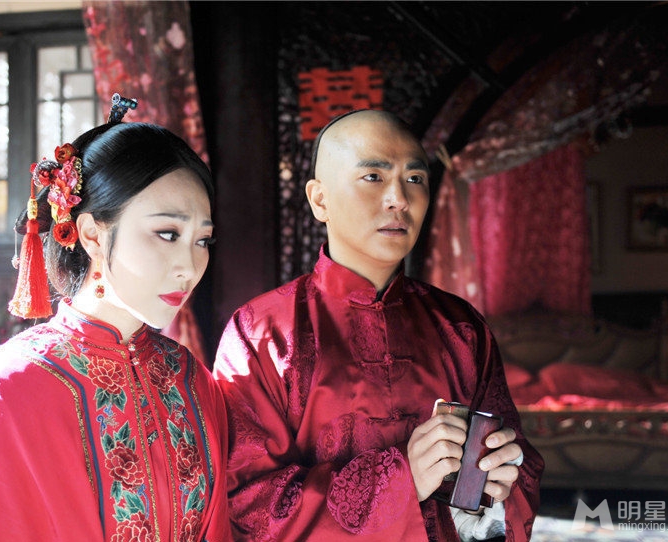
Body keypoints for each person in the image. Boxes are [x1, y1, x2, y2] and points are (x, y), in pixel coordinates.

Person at [0, 99, 231, 541]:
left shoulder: (190, 378)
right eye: (168, 234)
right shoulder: (7, 392)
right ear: (92, 233)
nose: (189, 267)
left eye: (202, 240)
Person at [213, 109, 543, 541]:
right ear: (320, 200)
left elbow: (518, 467)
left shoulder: (461, 328)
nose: (400, 199)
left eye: (415, 179)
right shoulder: (261, 332)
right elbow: (247, 502)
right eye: (373, 176)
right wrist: (401, 479)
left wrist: (502, 480)